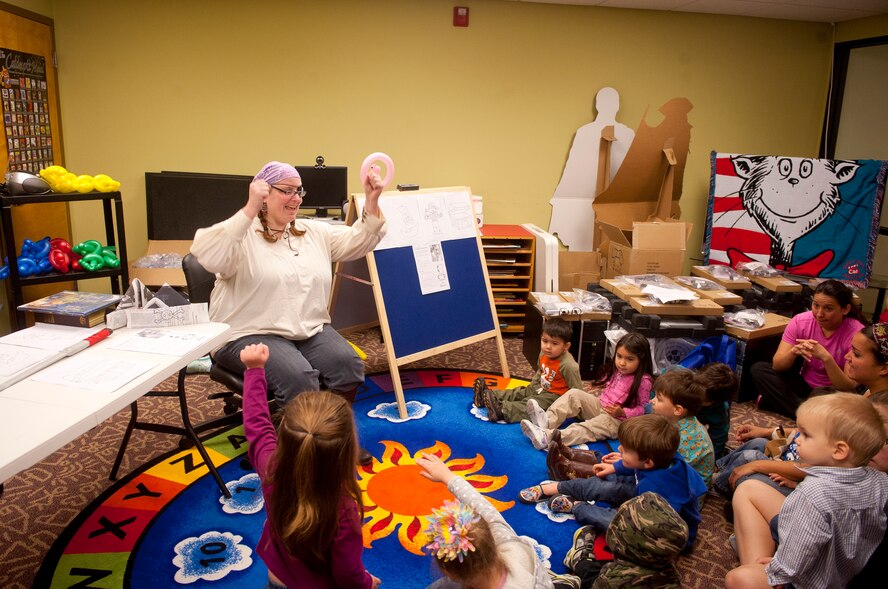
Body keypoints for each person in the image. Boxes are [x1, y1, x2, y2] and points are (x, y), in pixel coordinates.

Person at [191, 161, 386, 463]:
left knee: (347, 364)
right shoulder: (242, 235)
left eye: (299, 192)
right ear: (264, 194)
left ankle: (334, 440)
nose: (296, 199)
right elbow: (206, 253)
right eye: (286, 191)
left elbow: (356, 242)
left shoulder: (312, 232)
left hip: (305, 328)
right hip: (248, 332)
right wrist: (249, 207)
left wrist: (372, 201)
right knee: (298, 377)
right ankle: (296, 456)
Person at [239, 343, 381, 589]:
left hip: (277, 580)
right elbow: (348, 574)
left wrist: (254, 370)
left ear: (282, 428)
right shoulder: (344, 510)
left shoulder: (272, 470)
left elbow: (257, 427)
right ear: (347, 452)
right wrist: (367, 582)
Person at [725, 393, 888, 589]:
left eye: (807, 435)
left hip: (810, 581)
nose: (798, 439)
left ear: (839, 450)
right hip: (842, 569)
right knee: (749, 488)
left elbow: (798, 555)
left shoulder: (813, 495)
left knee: (738, 578)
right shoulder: (881, 480)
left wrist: (778, 570)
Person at [518, 414, 707, 550]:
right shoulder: (661, 460)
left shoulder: (655, 491)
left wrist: (617, 508)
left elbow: (641, 523)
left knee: (612, 519)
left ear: (648, 462)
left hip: (658, 531)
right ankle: (554, 487)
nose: (620, 448)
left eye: (626, 450)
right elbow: (639, 468)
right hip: (644, 496)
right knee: (606, 479)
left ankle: (576, 507)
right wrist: (617, 467)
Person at [416, 452, 554, 588]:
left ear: (450, 573)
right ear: (490, 538)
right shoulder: (508, 541)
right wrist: (448, 477)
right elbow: (484, 508)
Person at [751, 279, 865, 417]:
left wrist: (826, 358)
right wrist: (793, 352)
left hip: (834, 394)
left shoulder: (856, 333)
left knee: (846, 408)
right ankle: (809, 413)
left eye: (828, 309)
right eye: (816, 305)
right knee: (759, 369)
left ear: (845, 309)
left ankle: (792, 408)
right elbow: (777, 366)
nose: (819, 314)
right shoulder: (800, 321)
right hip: (805, 387)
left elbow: (848, 387)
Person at [520, 332, 653, 450]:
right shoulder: (620, 370)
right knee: (574, 394)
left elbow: (644, 409)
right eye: (619, 356)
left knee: (585, 428)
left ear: (641, 360)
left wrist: (623, 411)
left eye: (629, 359)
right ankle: (547, 421)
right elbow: (612, 381)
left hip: (617, 421)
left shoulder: (643, 381)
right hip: (600, 406)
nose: (622, 363)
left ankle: (547, 438)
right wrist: (598, 384)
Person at [554, 493, 689, 589]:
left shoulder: (611, 581)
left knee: (589, 574)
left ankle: (578, 562)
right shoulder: (672, 576)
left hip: (603, 583)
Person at [474, 317, 583, 423]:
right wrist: (532, 387)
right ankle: (489, 395)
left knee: (532, 404)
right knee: (520, 392)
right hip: (541, 387)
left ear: (566, 346)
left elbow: (577, 392)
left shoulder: (569, 365)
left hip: (556, 397)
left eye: (554, 343)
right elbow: (540, 371)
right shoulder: (543, 354)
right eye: (545, 341)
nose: (548, 346)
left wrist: (579, 414)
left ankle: (502, 411)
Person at [649, 368, 715, 488]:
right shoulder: (676, 421)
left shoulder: (688, 439)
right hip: (669, 474)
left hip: (684, 493)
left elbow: (667, 471)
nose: (651, 401)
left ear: (678, 410)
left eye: (659, 399)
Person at [694, 362, 740, 458]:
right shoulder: (683, 380)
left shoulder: (720, 411)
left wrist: (714, 457)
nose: (696, 397)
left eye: (703, 399)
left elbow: (719, 437)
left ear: (716, 402)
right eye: (696, 390)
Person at [845, 323, 888, 397]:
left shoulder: (880, 407)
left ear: (884, 368)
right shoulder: (870, 393)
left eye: (856, 354)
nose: (846, 357)